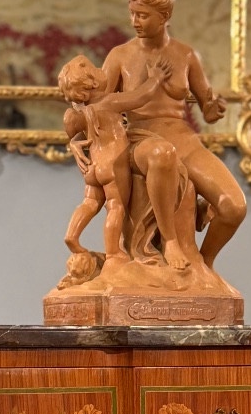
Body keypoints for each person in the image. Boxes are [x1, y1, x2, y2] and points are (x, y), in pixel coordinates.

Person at [100, 0, 247, 269]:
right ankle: (169, 242)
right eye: (133, 14)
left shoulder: (186, 55)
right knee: (161, 154)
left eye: (143, 15)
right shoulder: (119, 56)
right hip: (140, 140)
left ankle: (205, 264)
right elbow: (100, 107)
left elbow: (206, 103)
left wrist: (212, 107)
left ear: (164, 17)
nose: (135, 22)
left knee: (233, 207)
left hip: (184, 139)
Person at [57, 54, 187, 270]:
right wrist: (155, 78)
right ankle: (113, 253)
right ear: (93, 83)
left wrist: (73, 143)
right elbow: (140, 97)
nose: (103, 70)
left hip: (93, 165)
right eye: (97, 69)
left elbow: (73, 132)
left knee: (89, 203)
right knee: (115, 206)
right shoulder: (109, 102)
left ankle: (72, 236)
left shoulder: (83, 111)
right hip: (113, 163)